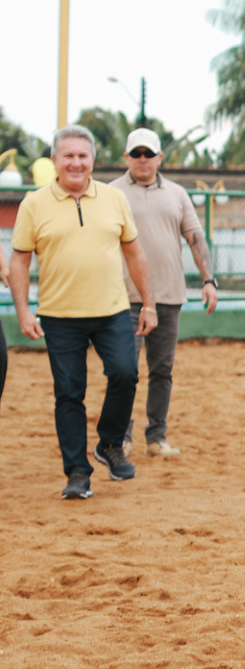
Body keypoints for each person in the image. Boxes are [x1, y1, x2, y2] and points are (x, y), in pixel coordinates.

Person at [7, 126, 158, 499]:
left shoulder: (113, 199)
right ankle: (77, 473)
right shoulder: (34, 204)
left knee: (125, 373)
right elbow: (19, 262)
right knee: (69, 394)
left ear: (93, 160)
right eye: (68, 156)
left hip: (112, 312)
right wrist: (24, 312)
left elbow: (135, 254)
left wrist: (149, 303)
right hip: (59, 316)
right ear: (55, 161)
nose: (76, 162)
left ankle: (109, 444)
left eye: (82, 155)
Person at [110, 126, 219, 457]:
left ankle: (156, 437)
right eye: (136, 154)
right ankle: (121, 437)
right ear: (126, 157)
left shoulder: (177, 194)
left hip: (168, 296)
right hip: (123, 296)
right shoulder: (111, 193)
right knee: (124, 370)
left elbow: (195, 237)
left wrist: (209, 280)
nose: (143, 160)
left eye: (149, 154)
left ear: (159, 158)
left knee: (162, 371)